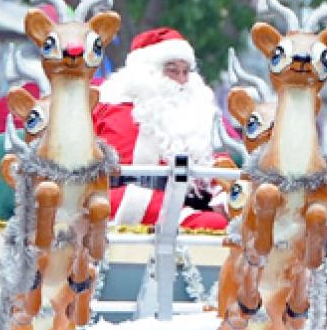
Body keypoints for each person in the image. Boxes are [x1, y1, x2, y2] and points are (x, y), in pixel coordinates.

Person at [93, 27, 228, 230]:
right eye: (173, 71)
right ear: (146, 72)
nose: (182, 81)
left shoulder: (194, 113)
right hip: (122, 201)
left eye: (186, 72)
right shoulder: (111, 107)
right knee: (211, 224)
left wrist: (223, 196)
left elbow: (208, 168)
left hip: (179, 201)